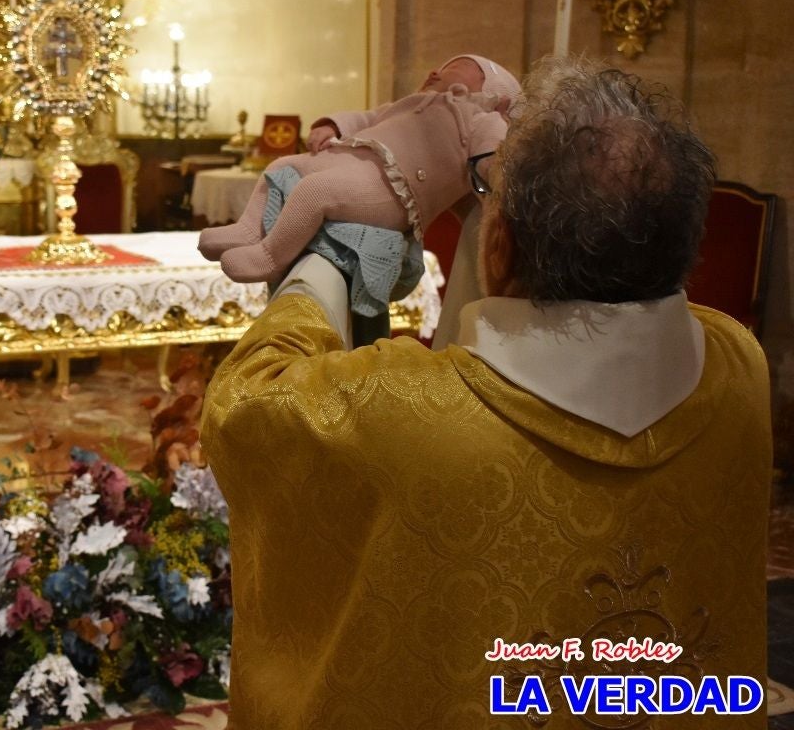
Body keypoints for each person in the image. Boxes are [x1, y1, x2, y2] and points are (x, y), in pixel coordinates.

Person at [200, 57, 770, 729]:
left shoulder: (399, 416)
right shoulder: (739, 370)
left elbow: (247, 404)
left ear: (498, 246)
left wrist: (330, 262)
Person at [197, 55, 520, 298]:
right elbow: (367, 117)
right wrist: (332, 126)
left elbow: (490, 158)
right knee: (281, 166)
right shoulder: (409, 104)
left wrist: (492, 170)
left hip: (394, 188)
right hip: (353, 158)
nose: (435, 72)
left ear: (489, 88)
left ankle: (270, 255)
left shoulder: (480, 118)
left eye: (456, 67)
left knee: (316, 191)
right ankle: (248, 229)